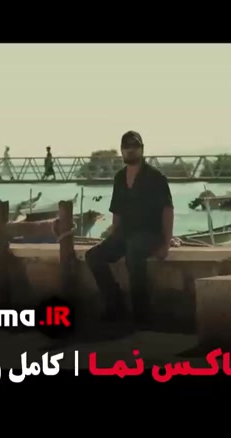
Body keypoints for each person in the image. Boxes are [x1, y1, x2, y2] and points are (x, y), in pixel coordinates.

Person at [85, 131, 174, 326]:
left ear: (142, 149)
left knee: (133, 251)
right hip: (125, 234)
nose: (130, 150)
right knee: (93, 256)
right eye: (126, 146)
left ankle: (141, 313)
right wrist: (113, 238)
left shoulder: (155, 177)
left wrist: (166, 244)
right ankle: (115, 304)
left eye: (134, 146)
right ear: (122, 150)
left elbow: (167, 210)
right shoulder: (119, 178)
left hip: (150, 234)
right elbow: (117, 211)